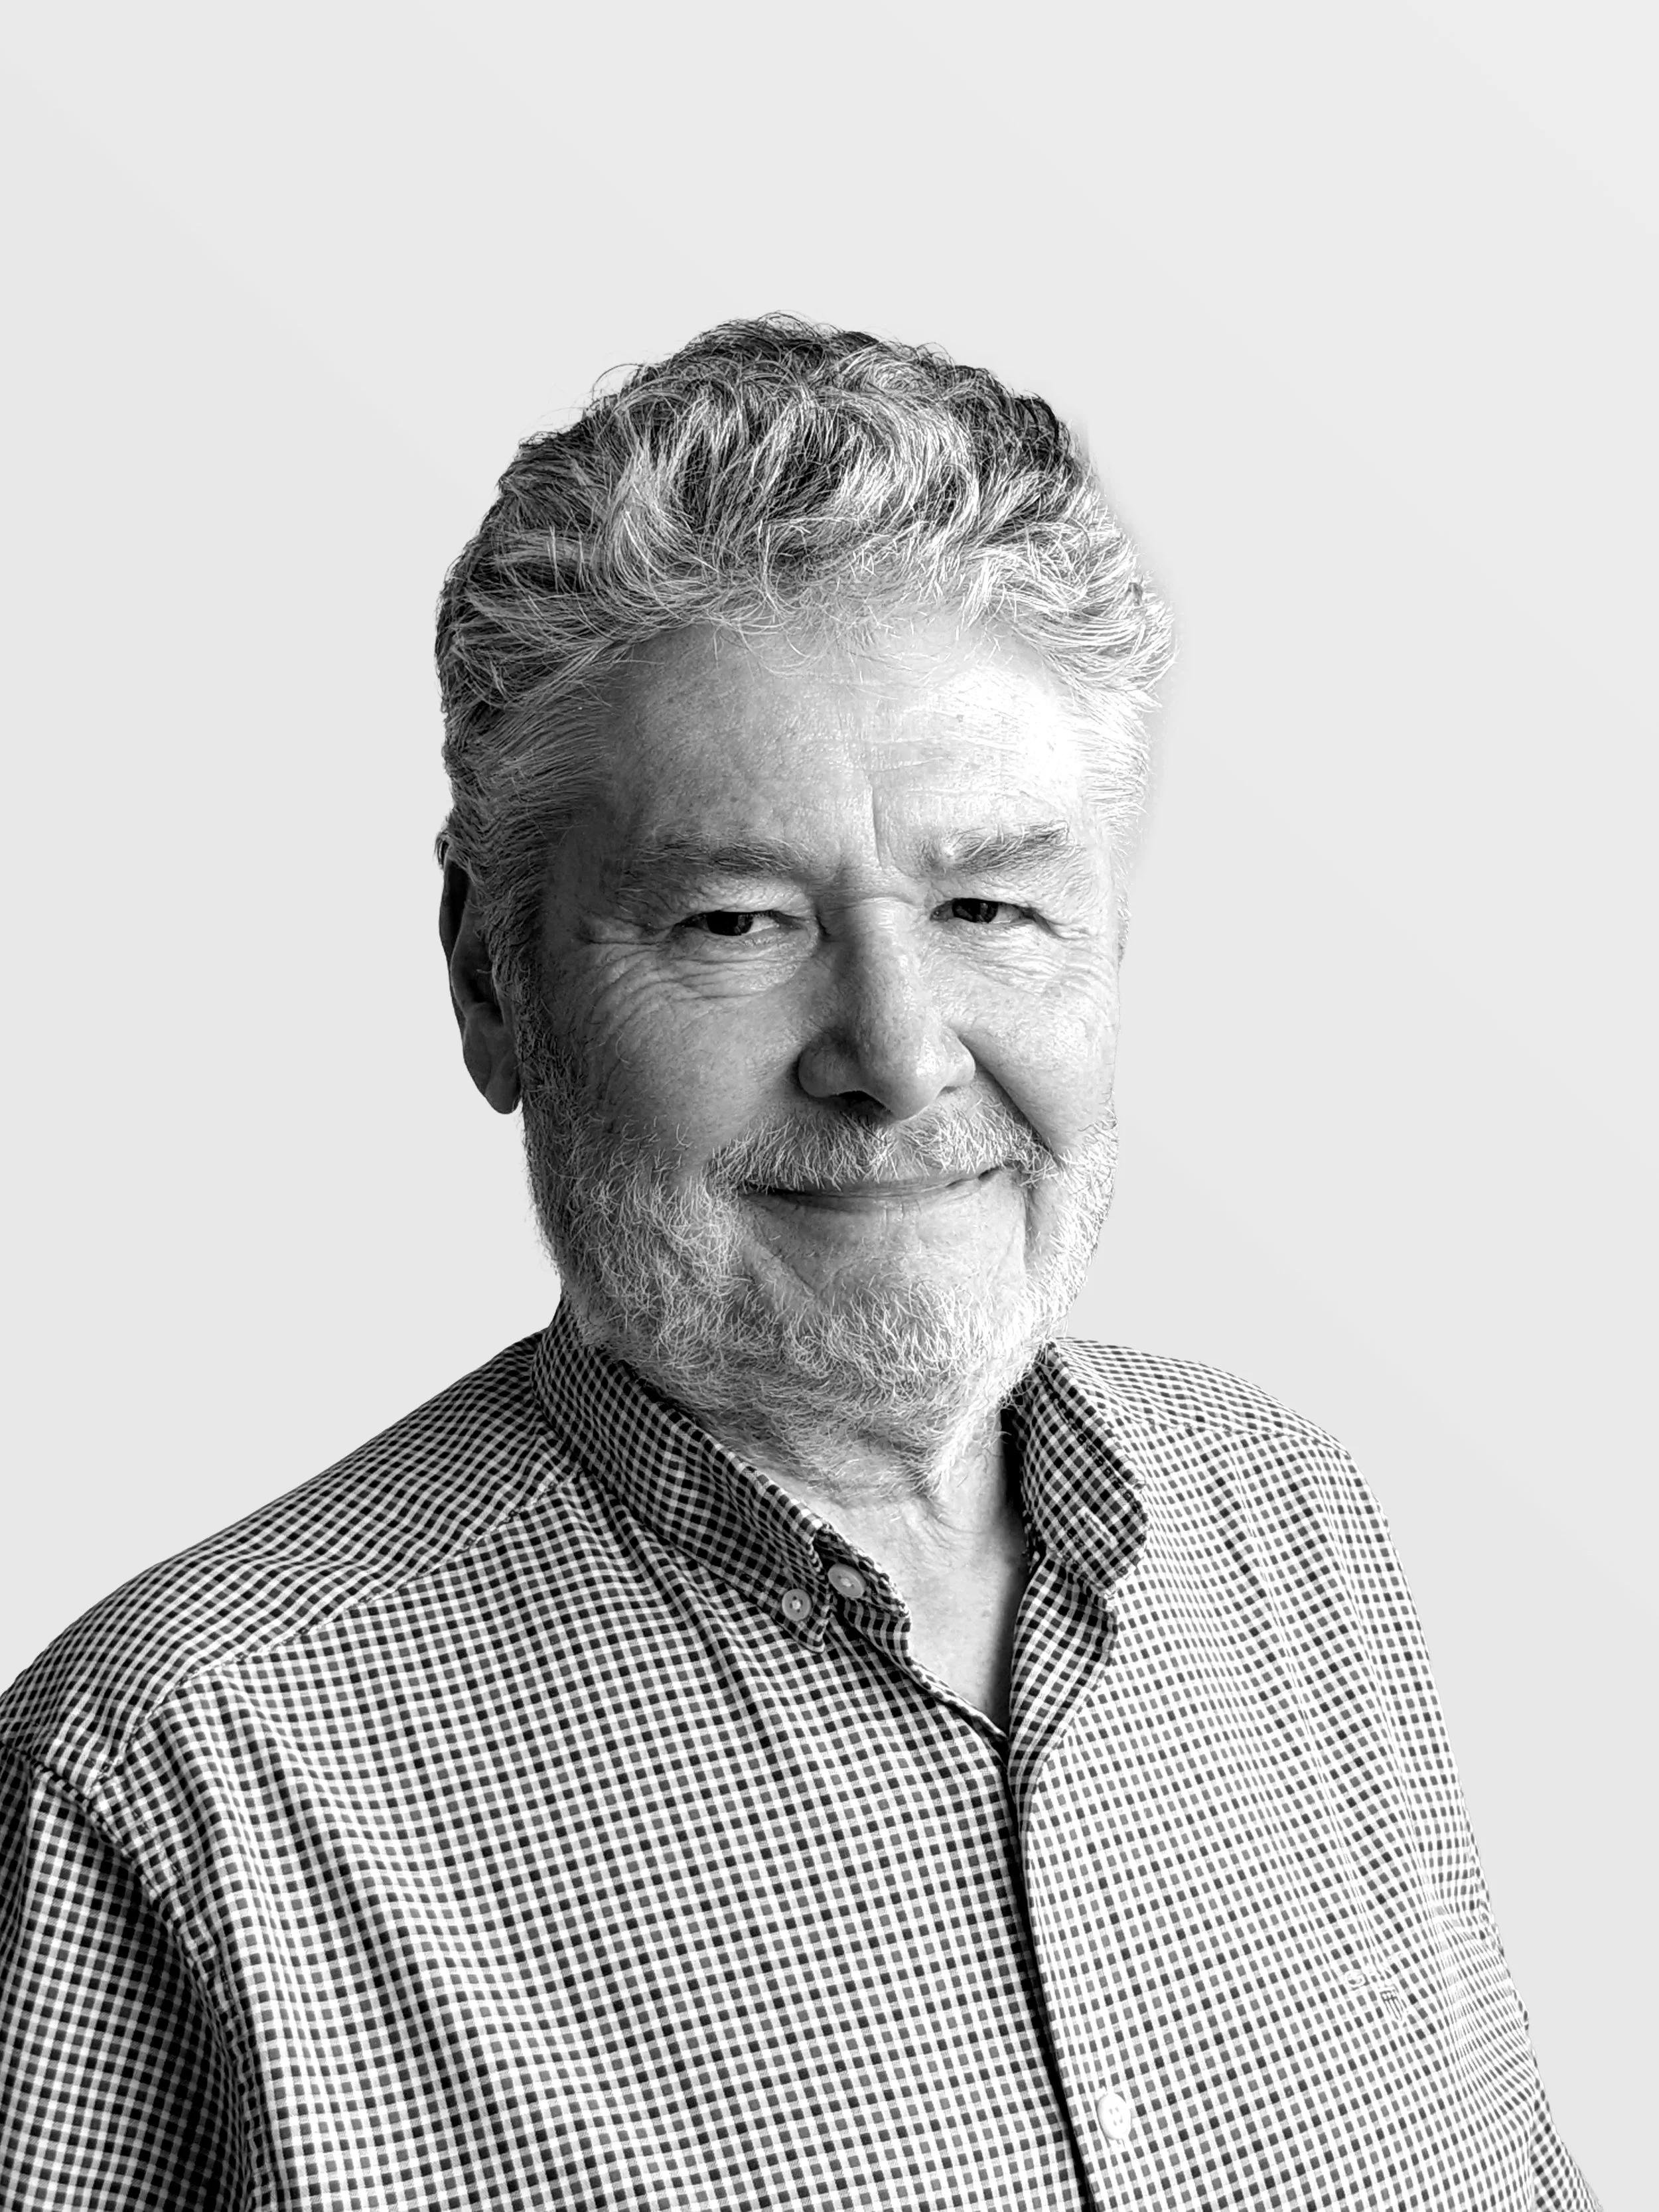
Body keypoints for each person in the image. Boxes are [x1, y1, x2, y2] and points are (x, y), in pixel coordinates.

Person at [0, 317, 1598, 2211]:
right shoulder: (177, 1777)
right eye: (738, 917)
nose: (900, 1052)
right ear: (489, 974)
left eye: (990, 902)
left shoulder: (1292, 1529)